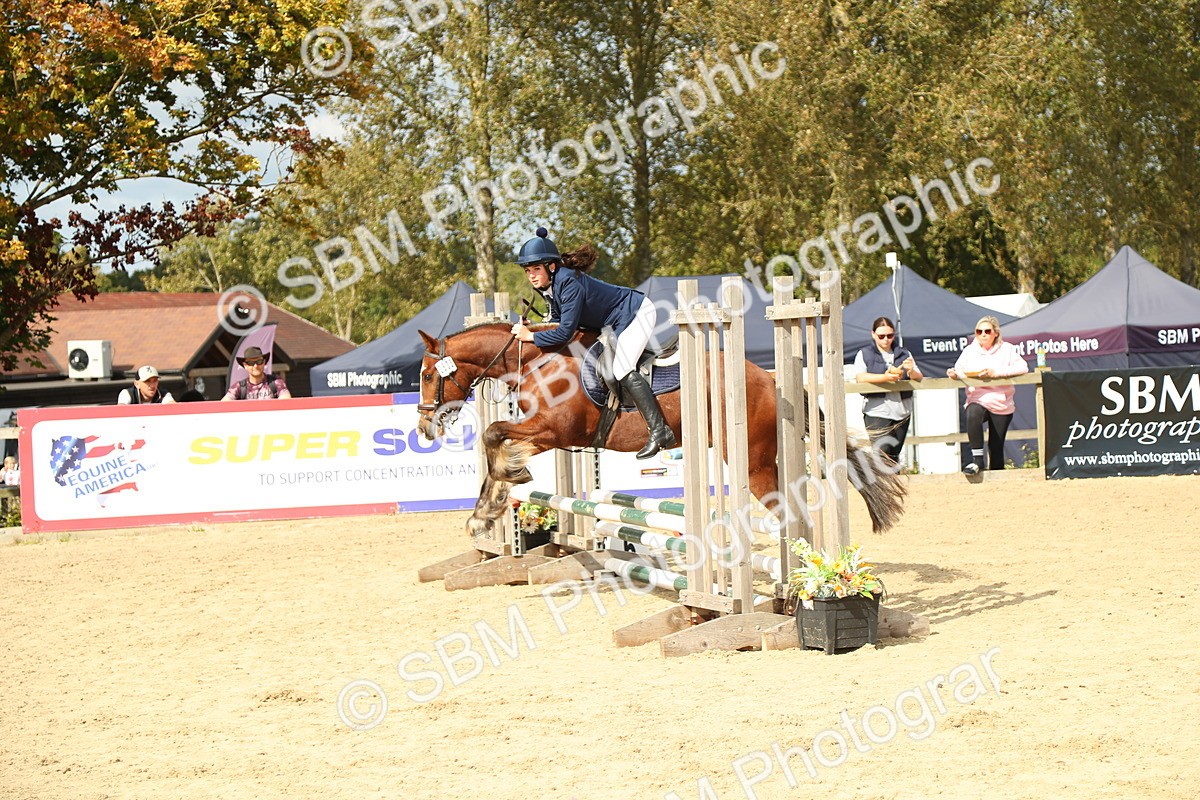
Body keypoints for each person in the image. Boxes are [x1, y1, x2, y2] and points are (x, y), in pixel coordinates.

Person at [509, 227, 676, 459]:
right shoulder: (553, 287)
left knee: (621, 368)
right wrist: (535, 327)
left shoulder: (568, 283)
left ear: (552, 267)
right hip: (613, 322)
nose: (532, 276)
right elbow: (557, 323)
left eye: (536, 269)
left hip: (636, 312)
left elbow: (565, 333)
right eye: (528, 271)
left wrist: (531, 336)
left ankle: (660, 431)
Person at [947, 315, 1029, 474]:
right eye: (979, 331)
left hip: (1001, 401)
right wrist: (954, 373)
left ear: (995, 333)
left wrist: (996, 373)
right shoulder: (969, 350)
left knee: (996, 447)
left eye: (987, 331)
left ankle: (997, 486)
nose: (983, 334)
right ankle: (977, 461)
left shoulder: (1007, 349)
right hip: (978, 397)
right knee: (973, 412)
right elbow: (959, 368)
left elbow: (1023, 368)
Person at [853, 316, 923, 464]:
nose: (886, 339)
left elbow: (918, 376)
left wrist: (911, 371)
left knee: (894, 456)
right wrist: (885, 377)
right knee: (881, 453)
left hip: (902, 411)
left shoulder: (904, 353)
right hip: (876, 410)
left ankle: (891, 485)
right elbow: (861, 377)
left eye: (890, 335)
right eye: (881, 336)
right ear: (873, 334)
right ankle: (881, 485)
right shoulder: (864, 353)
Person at [222, 346, 291, 400]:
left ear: (264, 362)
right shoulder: (238, 387)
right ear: (245, 365)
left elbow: (286, 402)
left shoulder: (277, 382)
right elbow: (222, 406)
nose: (255, 366)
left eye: (259, 362)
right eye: (251, 363)